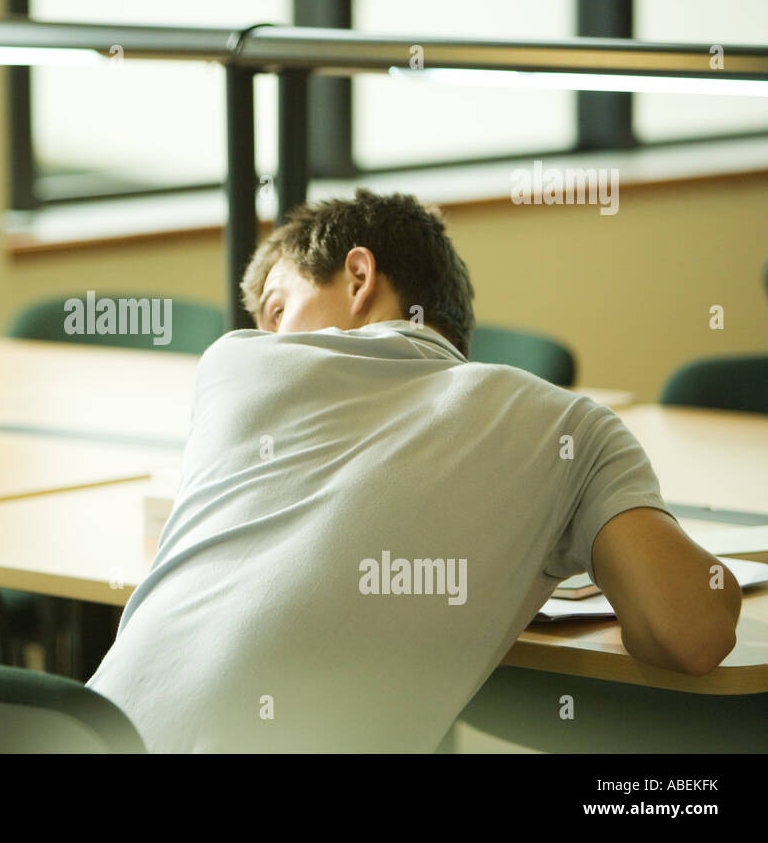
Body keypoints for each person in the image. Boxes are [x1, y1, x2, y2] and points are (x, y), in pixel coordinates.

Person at [87, 189, 741, 753]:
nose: (269, 336)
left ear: (360, 274)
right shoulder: (567, 427)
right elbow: (691, 629)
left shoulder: (232, 366)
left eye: (278, 307)